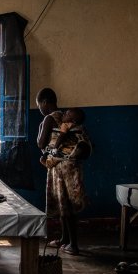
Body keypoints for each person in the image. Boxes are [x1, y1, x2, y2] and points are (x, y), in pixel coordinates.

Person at [36, 88, 91, 255]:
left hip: (62, 167)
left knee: (66, 205)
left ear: (45, 102)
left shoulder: (49, 119)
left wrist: (41, 135)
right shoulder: (66, 118)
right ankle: (65, 239)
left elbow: (41, 143)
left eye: (39, 104)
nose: (39, 108)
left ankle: (73, 244)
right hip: (69, 165)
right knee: (64, 204)